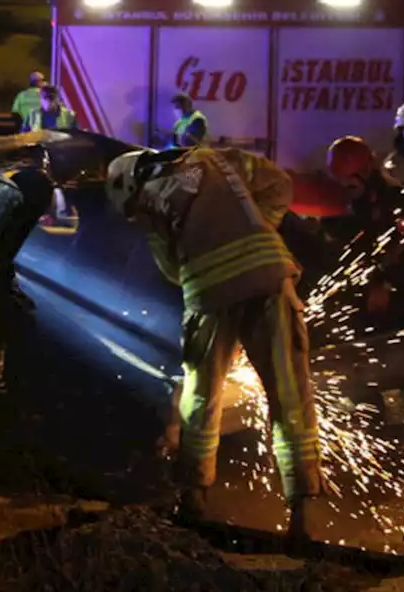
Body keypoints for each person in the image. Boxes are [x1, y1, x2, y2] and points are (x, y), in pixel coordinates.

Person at [105, 146, 321, 540]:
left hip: (210, 292)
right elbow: (280, 186)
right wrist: (260, 229)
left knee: (202, 393)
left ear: (130, 186)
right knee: (290, 392)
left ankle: (193, 498)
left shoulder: (148, 204)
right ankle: (302, 512)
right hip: (271, 276)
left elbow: (172, 270)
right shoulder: (216, 158)